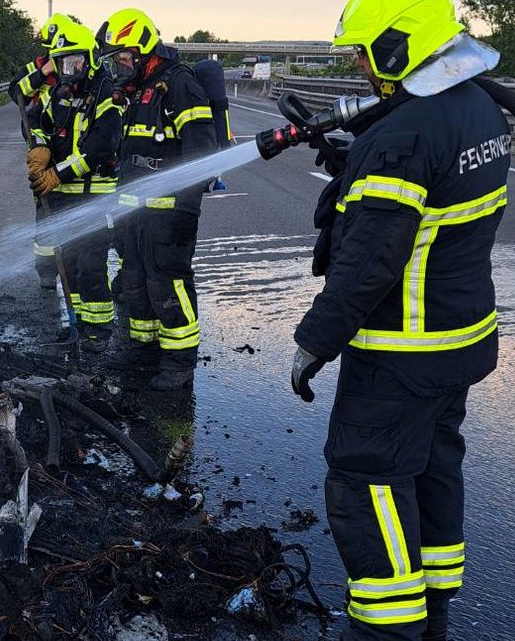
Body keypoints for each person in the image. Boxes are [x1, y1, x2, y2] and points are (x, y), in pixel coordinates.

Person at [290, 1, 510, 639]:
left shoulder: (404, 134)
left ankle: (387, 627)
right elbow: (430, 200)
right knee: (433, 465)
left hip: (402, 348)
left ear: (397, 47)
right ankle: (434, 612)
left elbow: (368, 264)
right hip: (462, 336)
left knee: (368, 476)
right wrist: (354, 170)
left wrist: (311, 343)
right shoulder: (478, 109)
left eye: (364, 53)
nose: (360, 67)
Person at [97, 8, 216, 390]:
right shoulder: (136, 92)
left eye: (123, 57)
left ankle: (179, 361)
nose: (120, 66)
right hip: (133, 210)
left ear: (144, 49)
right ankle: (143, 347)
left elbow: (200, 150)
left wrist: (187, 207)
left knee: (168, 283)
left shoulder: (178, 85)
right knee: (135, 279)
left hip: (168, 212)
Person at [25, 22, 124, 352]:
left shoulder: (107, 97)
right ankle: (79, 321)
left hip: (94, 195)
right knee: (67, 261)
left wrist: (57, 174)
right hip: (65, 195)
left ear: (91, 59)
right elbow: (40, 122)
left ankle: (100, 329)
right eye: (64, 63)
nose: (70, 71)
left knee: (91, 265)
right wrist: (40, 148)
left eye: (75, 62)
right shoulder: (61, 93)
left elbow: (100, 150)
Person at [9, 13, 74, 286]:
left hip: (69, 143)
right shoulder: (34, 69)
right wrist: (43, 72)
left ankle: (73, 264)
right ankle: (47, 271)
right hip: (40, 147)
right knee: (45, 209)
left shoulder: (74, 65)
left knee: (72, 203)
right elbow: (16, 93)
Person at [8, 13, 73, 108]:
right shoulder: (35, 66)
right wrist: (41, 73)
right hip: (40, 120)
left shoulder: (79, 69)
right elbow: (15, 95)